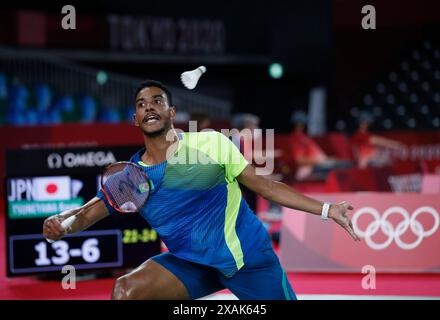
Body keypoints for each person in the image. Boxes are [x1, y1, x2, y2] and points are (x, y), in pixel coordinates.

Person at [43, 80, 359, 300]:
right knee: (126, 292)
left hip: (245, 257)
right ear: (135, 118)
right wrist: (62, 224)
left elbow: (264, 186)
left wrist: (328, 210)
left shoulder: (209, 143)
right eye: (141, 104)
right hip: (191, 264)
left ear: (171, 112)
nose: (149, 107)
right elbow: (88, 212)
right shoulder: (130, 176)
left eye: (157, 101)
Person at [289, 111, 349, 180]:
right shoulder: (295, 138)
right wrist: (321, 162)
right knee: (341, 170)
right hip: (310, 169)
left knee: (346, 164)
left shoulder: (305, 137)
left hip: (319, 166)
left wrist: (330, 160)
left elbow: (319, 156)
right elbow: (299, 160)